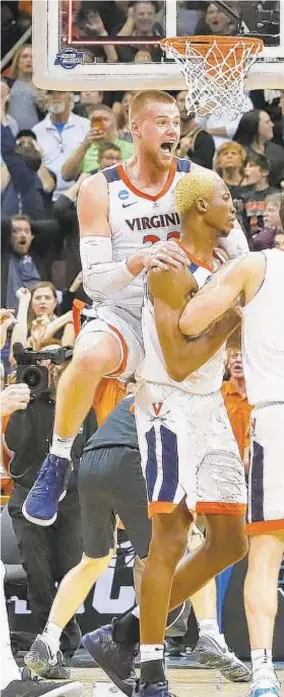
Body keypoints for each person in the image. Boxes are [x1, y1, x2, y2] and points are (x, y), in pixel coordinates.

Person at [22, 89, 249, 528]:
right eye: (161, 121)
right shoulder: (98, 187)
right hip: (124, 313)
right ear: (135, 128)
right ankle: (58, 458)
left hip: (183, 318)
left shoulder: (198, 179)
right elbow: (94, 278)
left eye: (176, 120)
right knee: (88, 355)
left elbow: (237, 255)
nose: (172, 129)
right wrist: (141, 259)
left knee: (186, 496)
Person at [84, 169, 248, 697]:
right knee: (171, 536)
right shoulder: (169, 266)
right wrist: (227, 324)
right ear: (199, 208)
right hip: (166, 403)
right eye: (225, 197)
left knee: (230, 542)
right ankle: (152, 670)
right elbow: (177, 362)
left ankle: (127, 631)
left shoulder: (224, 264)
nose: (234, 206)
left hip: (209, 402)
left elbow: (236, 331)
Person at [24, 391, 250, 689]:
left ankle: (47, 641)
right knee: (191, 545)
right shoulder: (191, 398)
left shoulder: (138, 394)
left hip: (92, 462)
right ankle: (208, 635)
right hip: (133, 457)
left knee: (93, 560)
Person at [175, 194, 284, 697]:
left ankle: (263, 671)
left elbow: (191, 321)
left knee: (265, 553)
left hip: (276, 418)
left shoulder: (255, 265)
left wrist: (236, 308)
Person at [32, 91, 90, 200]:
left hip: (80, 196)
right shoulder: (36, 131)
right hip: (46, 197)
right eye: (50, 93)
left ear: (71, 97)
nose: (56, 96)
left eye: (61, 92)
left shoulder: (86, 126)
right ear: (44, 98)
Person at [61, 104, 134, 180]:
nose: (100, 124)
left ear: (115, 124)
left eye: (105, 120)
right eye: (95, 120)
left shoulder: (131, 148)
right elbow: (66, 176)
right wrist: (85, 146)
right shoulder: (84, 149)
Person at [221, 350, 252, 468]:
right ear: (228, 364)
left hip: (254, 466)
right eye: (234, 356)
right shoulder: (220, 392)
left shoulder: (258, 396)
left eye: (243, 356)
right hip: (226, 466)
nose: (238, 359)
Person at [176, 91, 215, 170]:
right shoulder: (169, 136)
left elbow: (198, 171)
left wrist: (183, 153)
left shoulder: (204, 138)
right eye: (182, 100)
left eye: (190, 101)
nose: (185, 105)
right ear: (175, 104)